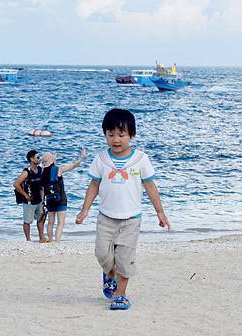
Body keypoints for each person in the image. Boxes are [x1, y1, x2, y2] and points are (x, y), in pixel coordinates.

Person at [75, 108, 170, 311]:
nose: (116, 140)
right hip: (106, 218)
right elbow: (93, 185)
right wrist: (84, 210)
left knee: (125, 260)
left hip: (131, 220)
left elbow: (150, 185)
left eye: (121, 135)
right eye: (111, 135)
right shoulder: (101, 159)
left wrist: (160, 212)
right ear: (105, 135)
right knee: (102, 254)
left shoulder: (141, 159)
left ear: (132, 135)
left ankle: (121, 295)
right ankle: (108, 274)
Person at [40, 149, 86, 242]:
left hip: (49, 200)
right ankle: (57, 241)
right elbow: (74, 165)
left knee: (50, 223)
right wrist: (82, 157)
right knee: (60, 222)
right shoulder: (58, 169)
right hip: (60, 199)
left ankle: (50, 240)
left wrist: (42, 202)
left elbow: (42, 190)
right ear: (51, 159)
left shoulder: (42, 173)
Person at [13, 150, 46, 242]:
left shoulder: (40, 170)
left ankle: (41, 238)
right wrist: (25, 195)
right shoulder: (27, 172)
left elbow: (42, 186)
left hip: (39, 200)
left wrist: (43, 200)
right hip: (29, 201)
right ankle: (28, 240)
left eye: (39, 157)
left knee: (40, 219)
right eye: (37, 157)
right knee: (27, 221)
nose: (39, 159)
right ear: (31, 159)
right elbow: (16, 184)